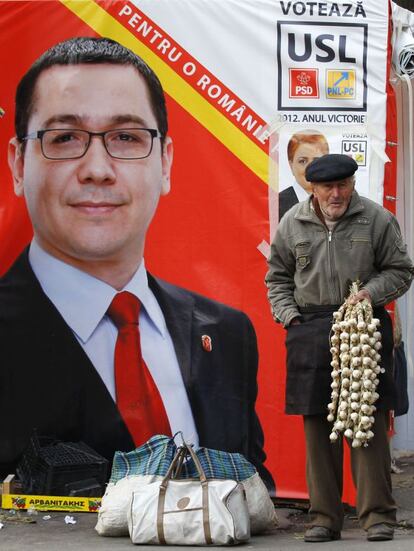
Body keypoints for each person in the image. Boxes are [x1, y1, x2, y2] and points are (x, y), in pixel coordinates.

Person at [0, 37, 272, 490]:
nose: (98, 169)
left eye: (126, 137)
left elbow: (250, 484)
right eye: (64, 138)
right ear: (17, 164)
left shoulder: (227, 334)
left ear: (165, 163)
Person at [266, 153, 414, 541]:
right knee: (319, 426)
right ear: (312, 188)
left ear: (352, 183)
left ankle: (378, 515)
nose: (336, 193)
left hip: (364, 326)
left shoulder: (376, 218)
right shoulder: (292, 223)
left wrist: (370, 293)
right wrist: (289, 316)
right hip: (311, 327)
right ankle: (324, 518)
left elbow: (401, 270)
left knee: (368, 422)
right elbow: (277, 277)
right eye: (327, 187)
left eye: (343, 185)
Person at [279, 130, 329, 220]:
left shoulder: (337, 199)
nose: (310, 168)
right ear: (291, 165)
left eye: (316, 160)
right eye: (303, 161)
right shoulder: (276, 204)